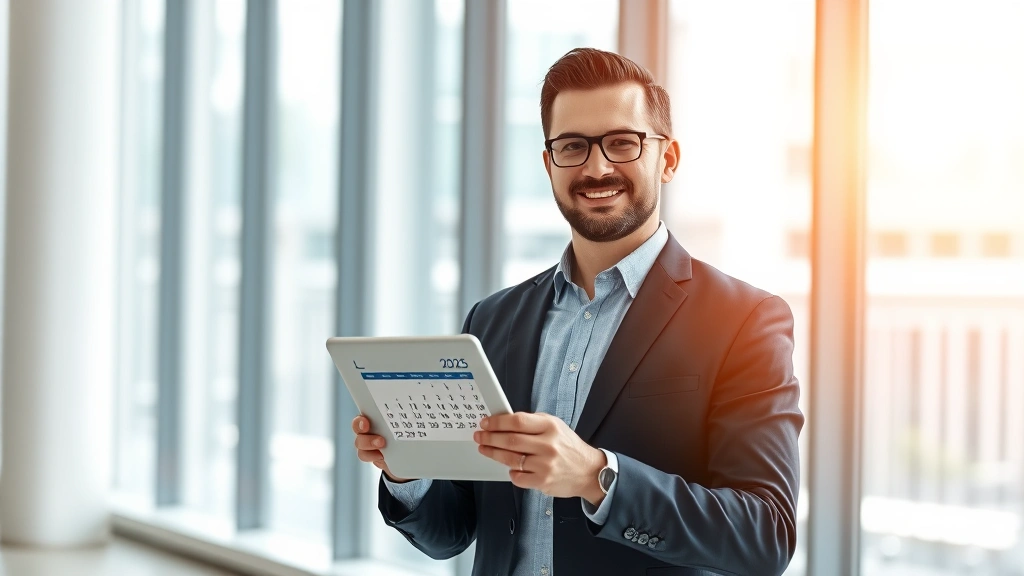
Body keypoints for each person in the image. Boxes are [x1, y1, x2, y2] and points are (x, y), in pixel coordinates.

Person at [352, 47, 803, 576]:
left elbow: (765, 536)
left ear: (669, 158)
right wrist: (408, 471)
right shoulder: (492, 321)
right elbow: (453, 533)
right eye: (572, 147)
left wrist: (597, 476)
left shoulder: (745, 321)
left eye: (622, 143)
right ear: (549, 164)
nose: (596, 166)